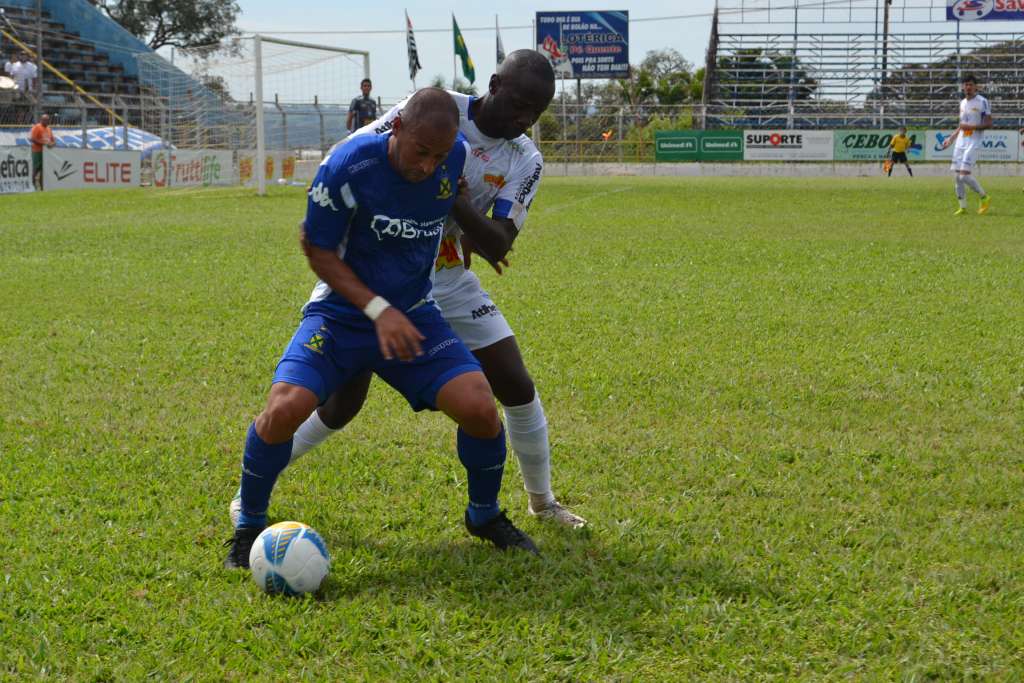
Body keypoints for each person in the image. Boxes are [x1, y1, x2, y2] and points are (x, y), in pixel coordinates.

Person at [228, 50, 588, 532]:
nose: (525, 120)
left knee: (513, 381)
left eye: (536, 113)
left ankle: (541, 502)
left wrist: (455, 199)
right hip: (375, 274)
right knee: (339, 406)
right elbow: (354, 159)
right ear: (495, 85)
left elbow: (499, 243)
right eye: (520, 104)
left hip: (446, 278)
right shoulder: (431, 110)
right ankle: (250, 491)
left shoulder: (525, 158)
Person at [941, 74, 992, 215]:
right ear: (963, 86)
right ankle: (962, 207)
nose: (968, 87)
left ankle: (984, 197)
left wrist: (972, 127)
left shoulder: (982, 101)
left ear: (975, 86)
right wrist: (951, 138)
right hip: (961, 141)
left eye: (970, 84)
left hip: (974, 141)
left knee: (964, 175)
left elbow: (988, 123)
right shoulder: (962, 103)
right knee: (957, 177)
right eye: (966, 84)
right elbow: (962, 125)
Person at [29, 112, 55, 190]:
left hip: (46, 153)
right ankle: (33, 186)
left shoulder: (49, 129)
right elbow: (32, 139)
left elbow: (53, 140)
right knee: (36, 169)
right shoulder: (37, 127)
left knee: (44, 170)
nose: (46, 121)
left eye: (47, 120)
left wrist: (51, 144)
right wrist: (44, 144)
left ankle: (42, 187)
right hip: (37, 151)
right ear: (41, 120)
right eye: (45, 120)